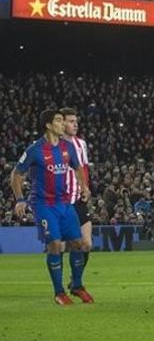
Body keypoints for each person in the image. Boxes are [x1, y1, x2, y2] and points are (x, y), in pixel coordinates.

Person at [10, 108, 92, 305]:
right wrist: (20, 199)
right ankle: (58, 292)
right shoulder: (34, 150)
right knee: (54, 245)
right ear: (48, 125)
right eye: (58, 120)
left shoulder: (67, 147)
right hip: (43, 205)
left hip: (65, 203)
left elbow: (78, 167)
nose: (62, 124)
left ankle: (77, 285)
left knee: (78, 244)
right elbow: (16, 175)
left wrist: (84, 186)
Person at [61, 108, 94, 276]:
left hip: (79, 200)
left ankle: (76, 281)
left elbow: (84, 168)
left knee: (86, 244)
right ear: (61, 122)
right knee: (58, 246)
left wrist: (86, 188)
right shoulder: (53, 144)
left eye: (76, 121)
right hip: (60, 201)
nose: (75, 124)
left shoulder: (81, 144)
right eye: (71, 121)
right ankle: (58, 285)